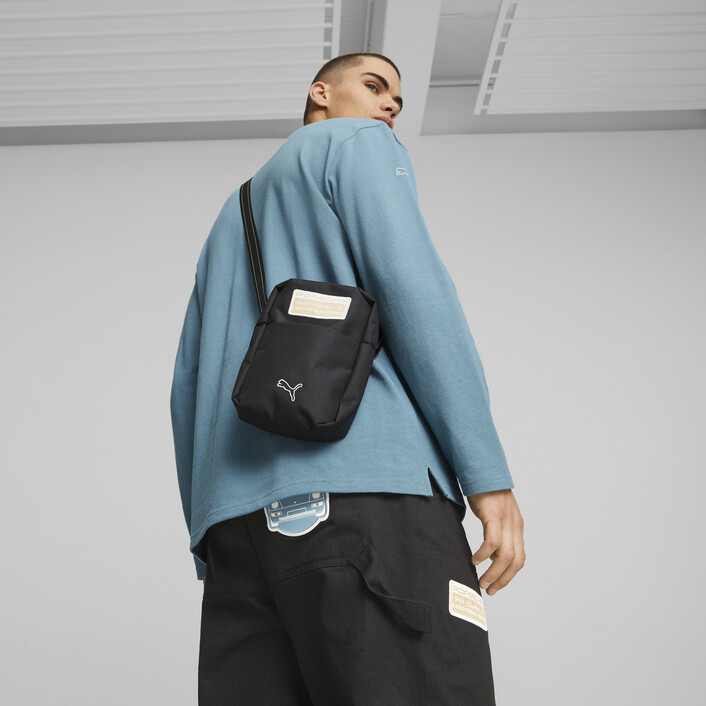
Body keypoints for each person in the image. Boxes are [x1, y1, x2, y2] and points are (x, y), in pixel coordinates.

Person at [170, 52, 525, 704]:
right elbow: (416, 292)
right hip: (370, 497)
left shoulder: (230, 217)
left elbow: (189, 384)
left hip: (238, 537)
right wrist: (487, 476)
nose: (389, 105)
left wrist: (209, 536)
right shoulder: (355, 141)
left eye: (397, 100)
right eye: (374, 85)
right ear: (320, 93)